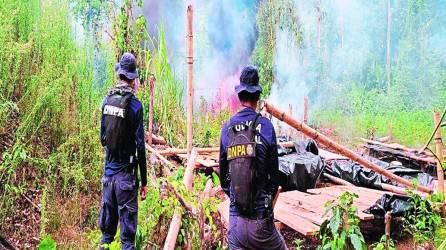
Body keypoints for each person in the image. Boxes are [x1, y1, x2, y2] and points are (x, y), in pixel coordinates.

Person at [219, 65, 288, 250]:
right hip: (261, 224)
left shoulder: (226, 128)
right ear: (257, 97)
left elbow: (224, 179)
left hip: (236, 224)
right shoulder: (266, 127)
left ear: (240, 96)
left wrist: (237, 199)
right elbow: (274, 179)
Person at [99, 52, 148, 250]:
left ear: (120, 74)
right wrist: (143, 181)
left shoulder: (106, 102)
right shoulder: (135, 106)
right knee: (127, 241)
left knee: (106, 236)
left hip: (108, 178)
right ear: (133, 79)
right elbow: (140, 148)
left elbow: (103, 139)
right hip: (126, 180)